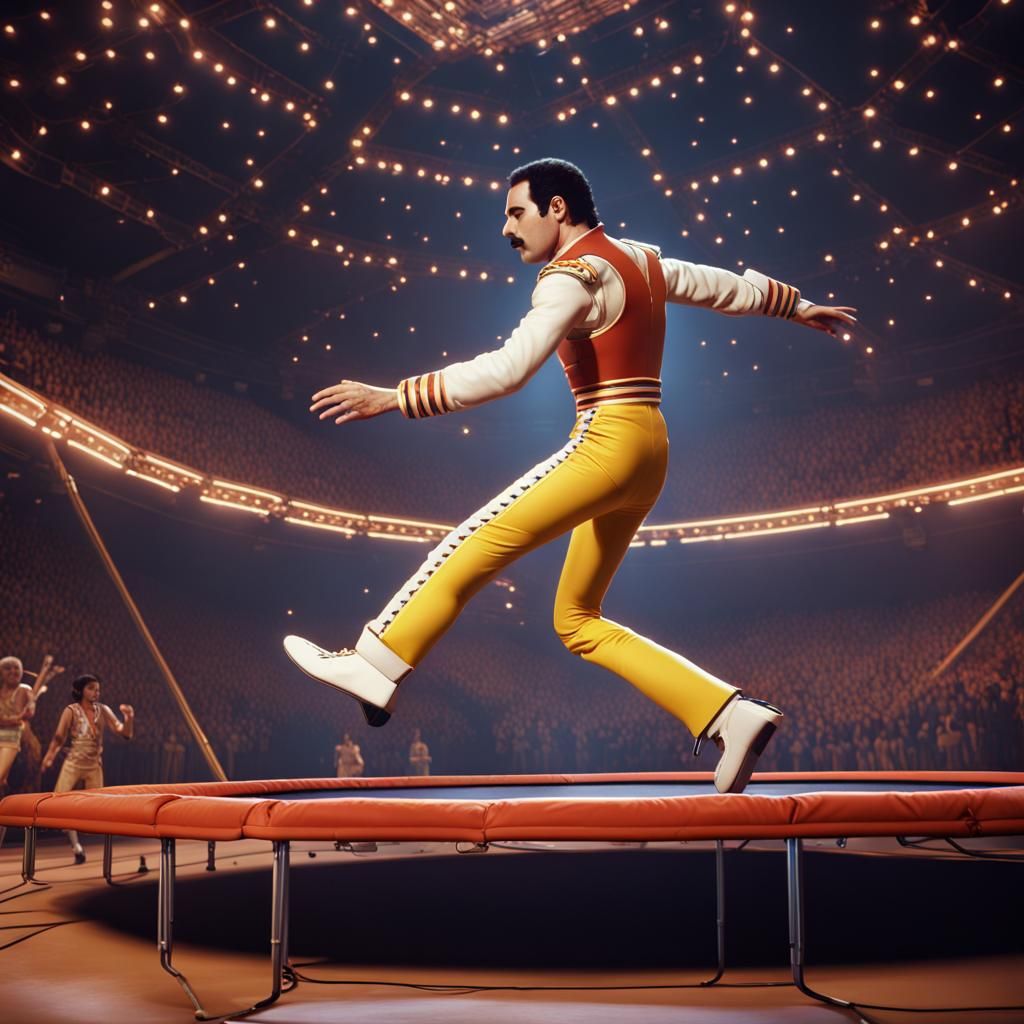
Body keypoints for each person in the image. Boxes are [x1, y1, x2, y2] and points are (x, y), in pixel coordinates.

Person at [284, 158, 856, 794]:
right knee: (576, 619)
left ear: (558, 209)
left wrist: (395, 395)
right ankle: (729, 714)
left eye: (516, 212)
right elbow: (717, 285)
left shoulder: (570, 278)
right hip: (650, 447)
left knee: (471, 544)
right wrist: (795, 304)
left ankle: (374, 663)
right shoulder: (639, 259)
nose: (506, 228)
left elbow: (507, 370)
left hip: (607, 442)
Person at [41, 674, 134, 863]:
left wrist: (129, 717)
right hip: (73, 763)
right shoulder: (71, 711)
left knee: (97, 807)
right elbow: (59, 737)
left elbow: (125, 733)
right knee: (59, 803)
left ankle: (102, 853)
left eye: (98, 689)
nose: (96, 692)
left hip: (93, 765)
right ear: (81, 690)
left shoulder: (103, 710)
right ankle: (76, 846)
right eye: (91, 688)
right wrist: (49, 757)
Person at [0, 656, 36, 795]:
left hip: (15, 739)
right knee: (2, 779)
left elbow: (28, 713)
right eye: (8, 668)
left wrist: (9, 720)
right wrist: (12, 719)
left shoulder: (24, 689)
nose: (13, 671)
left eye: (16, 668)